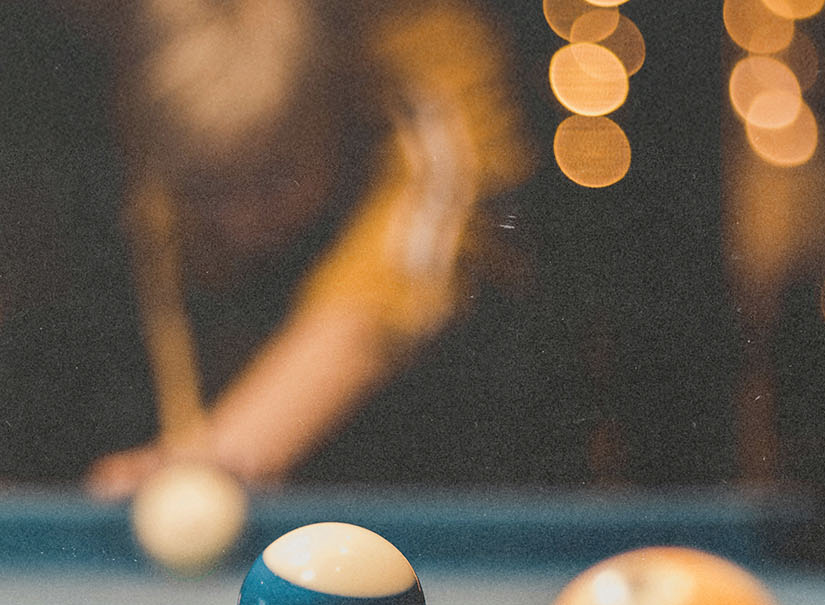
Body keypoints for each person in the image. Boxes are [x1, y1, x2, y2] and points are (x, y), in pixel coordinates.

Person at [78, 0, 533, 498]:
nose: (242, 223)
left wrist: (225, 451)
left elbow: (453, 189)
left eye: (274, 179)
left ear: (334, 113)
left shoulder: (406, 24)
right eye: (210, 187)